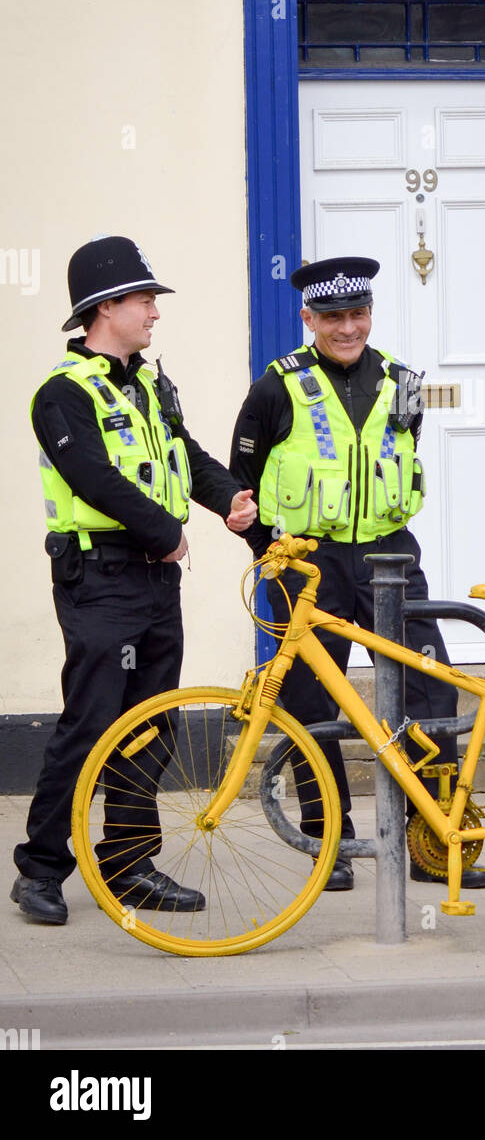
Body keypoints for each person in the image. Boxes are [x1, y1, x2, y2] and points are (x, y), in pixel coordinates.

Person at [12, 236, 258, 926]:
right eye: (145, 298)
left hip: (155, 584)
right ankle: (39, 867)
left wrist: (227, 499)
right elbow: (95, 478)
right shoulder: (61, 395)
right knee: (90, 722)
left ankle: (127, 863)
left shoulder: (151, 383)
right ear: (106, 307)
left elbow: (185, 452)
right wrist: (167, 532)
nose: (155, 311)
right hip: (99, 579)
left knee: (150, 723)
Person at [229, 255, 485, 892]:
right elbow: (244, 480)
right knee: (311, 701)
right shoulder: (274, 386)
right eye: (333, 316)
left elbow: (405, 457)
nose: (348, 327)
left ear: (370, 314)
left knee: (430, 691)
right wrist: (271, 551)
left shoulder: (403, 381)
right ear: (308, 318)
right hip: (308, 564)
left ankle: (431, 842)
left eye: (358, 314)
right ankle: (331, 841)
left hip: (390, 559)